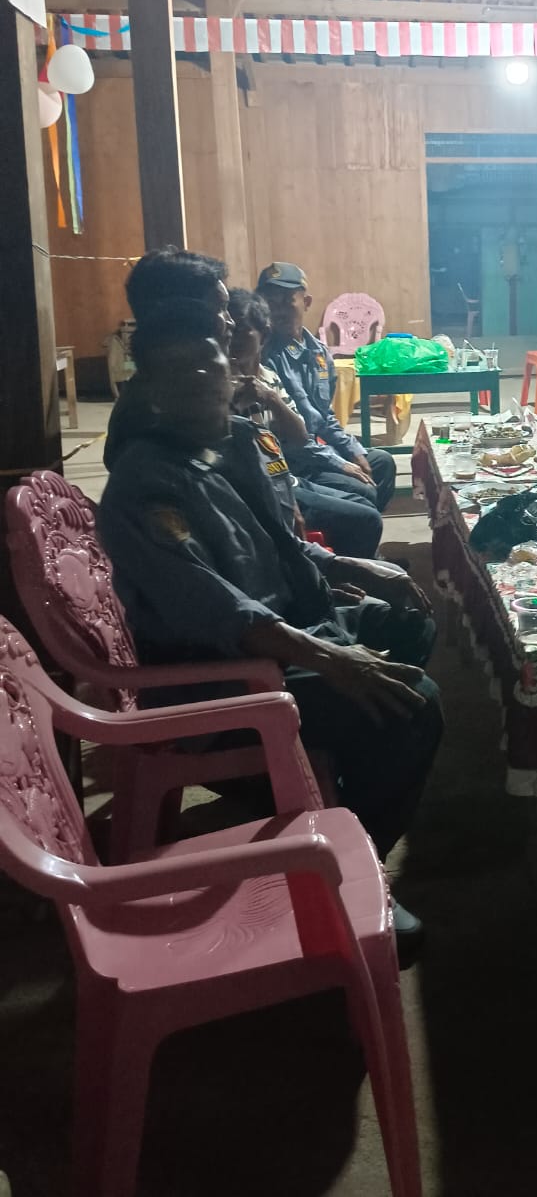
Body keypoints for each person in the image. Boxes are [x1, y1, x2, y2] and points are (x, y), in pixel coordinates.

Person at [97, 313, 442, 954]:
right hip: (218, 676)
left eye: (214, 367)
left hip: (284, 629)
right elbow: (220, 610)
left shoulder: (230, 445)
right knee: (416, 706)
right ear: (151, 391)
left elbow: (282, 544)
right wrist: (333, 658)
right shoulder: (145, 483)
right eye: (183, 374)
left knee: (408, 621)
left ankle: (328, 793)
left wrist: (350, 566)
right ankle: (347, 871)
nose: (208, 384)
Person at [228, 288, 385, 558]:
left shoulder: (289, 365)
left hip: (290, 469)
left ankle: (359, 559)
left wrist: (351, 449)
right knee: (365, 509)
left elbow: (317, 422)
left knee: (378, 467)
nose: (233, 340)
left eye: (242, 331)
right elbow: (290, 448)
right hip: (284, 473)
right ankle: (347, 565)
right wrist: (338, 463)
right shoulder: (228, 384)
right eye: (229, 331)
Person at [256, 262, 397, 515]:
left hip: (317, 450)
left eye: (287, 301)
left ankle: (363, 526)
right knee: (362, 490)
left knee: (382, 463)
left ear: (306, 302)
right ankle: (360, 524)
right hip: (292, 460)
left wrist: (352, 451)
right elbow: (290, 438)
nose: (278, 310)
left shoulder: (319, 352)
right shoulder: (264, 358)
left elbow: (324, 417)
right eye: (270, 302)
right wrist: (339, 463)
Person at [103, 247, 234, 470]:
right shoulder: (161, 419)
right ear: (183, 312)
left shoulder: (170, 390)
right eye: (221, 308)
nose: (231, 322)